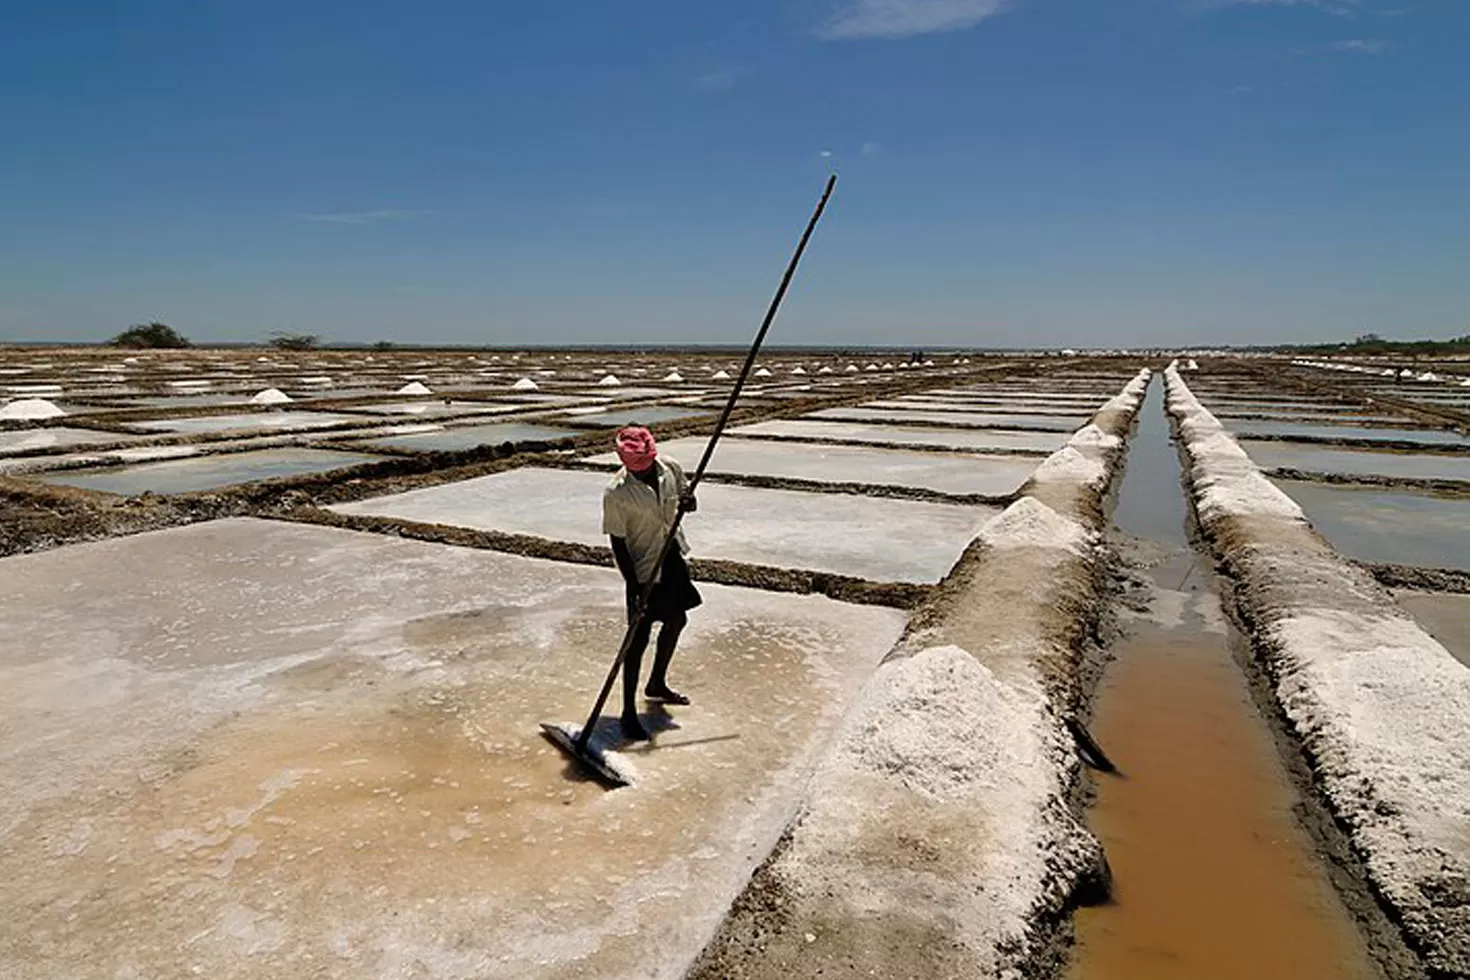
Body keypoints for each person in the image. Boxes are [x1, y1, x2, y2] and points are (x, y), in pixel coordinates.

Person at [601, 425, 702, 741]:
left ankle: (656, 683)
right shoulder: (616, 493)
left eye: (647, 461)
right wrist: (634, 588)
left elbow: (689, 501)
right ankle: (628, 712)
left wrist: (688, 502)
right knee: (637, 641)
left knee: (677, 620)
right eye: (637, 464)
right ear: (624, 460)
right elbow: (618, 543)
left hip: (670, 555)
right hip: (642, 567)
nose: (644, 468)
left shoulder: (669, 467)